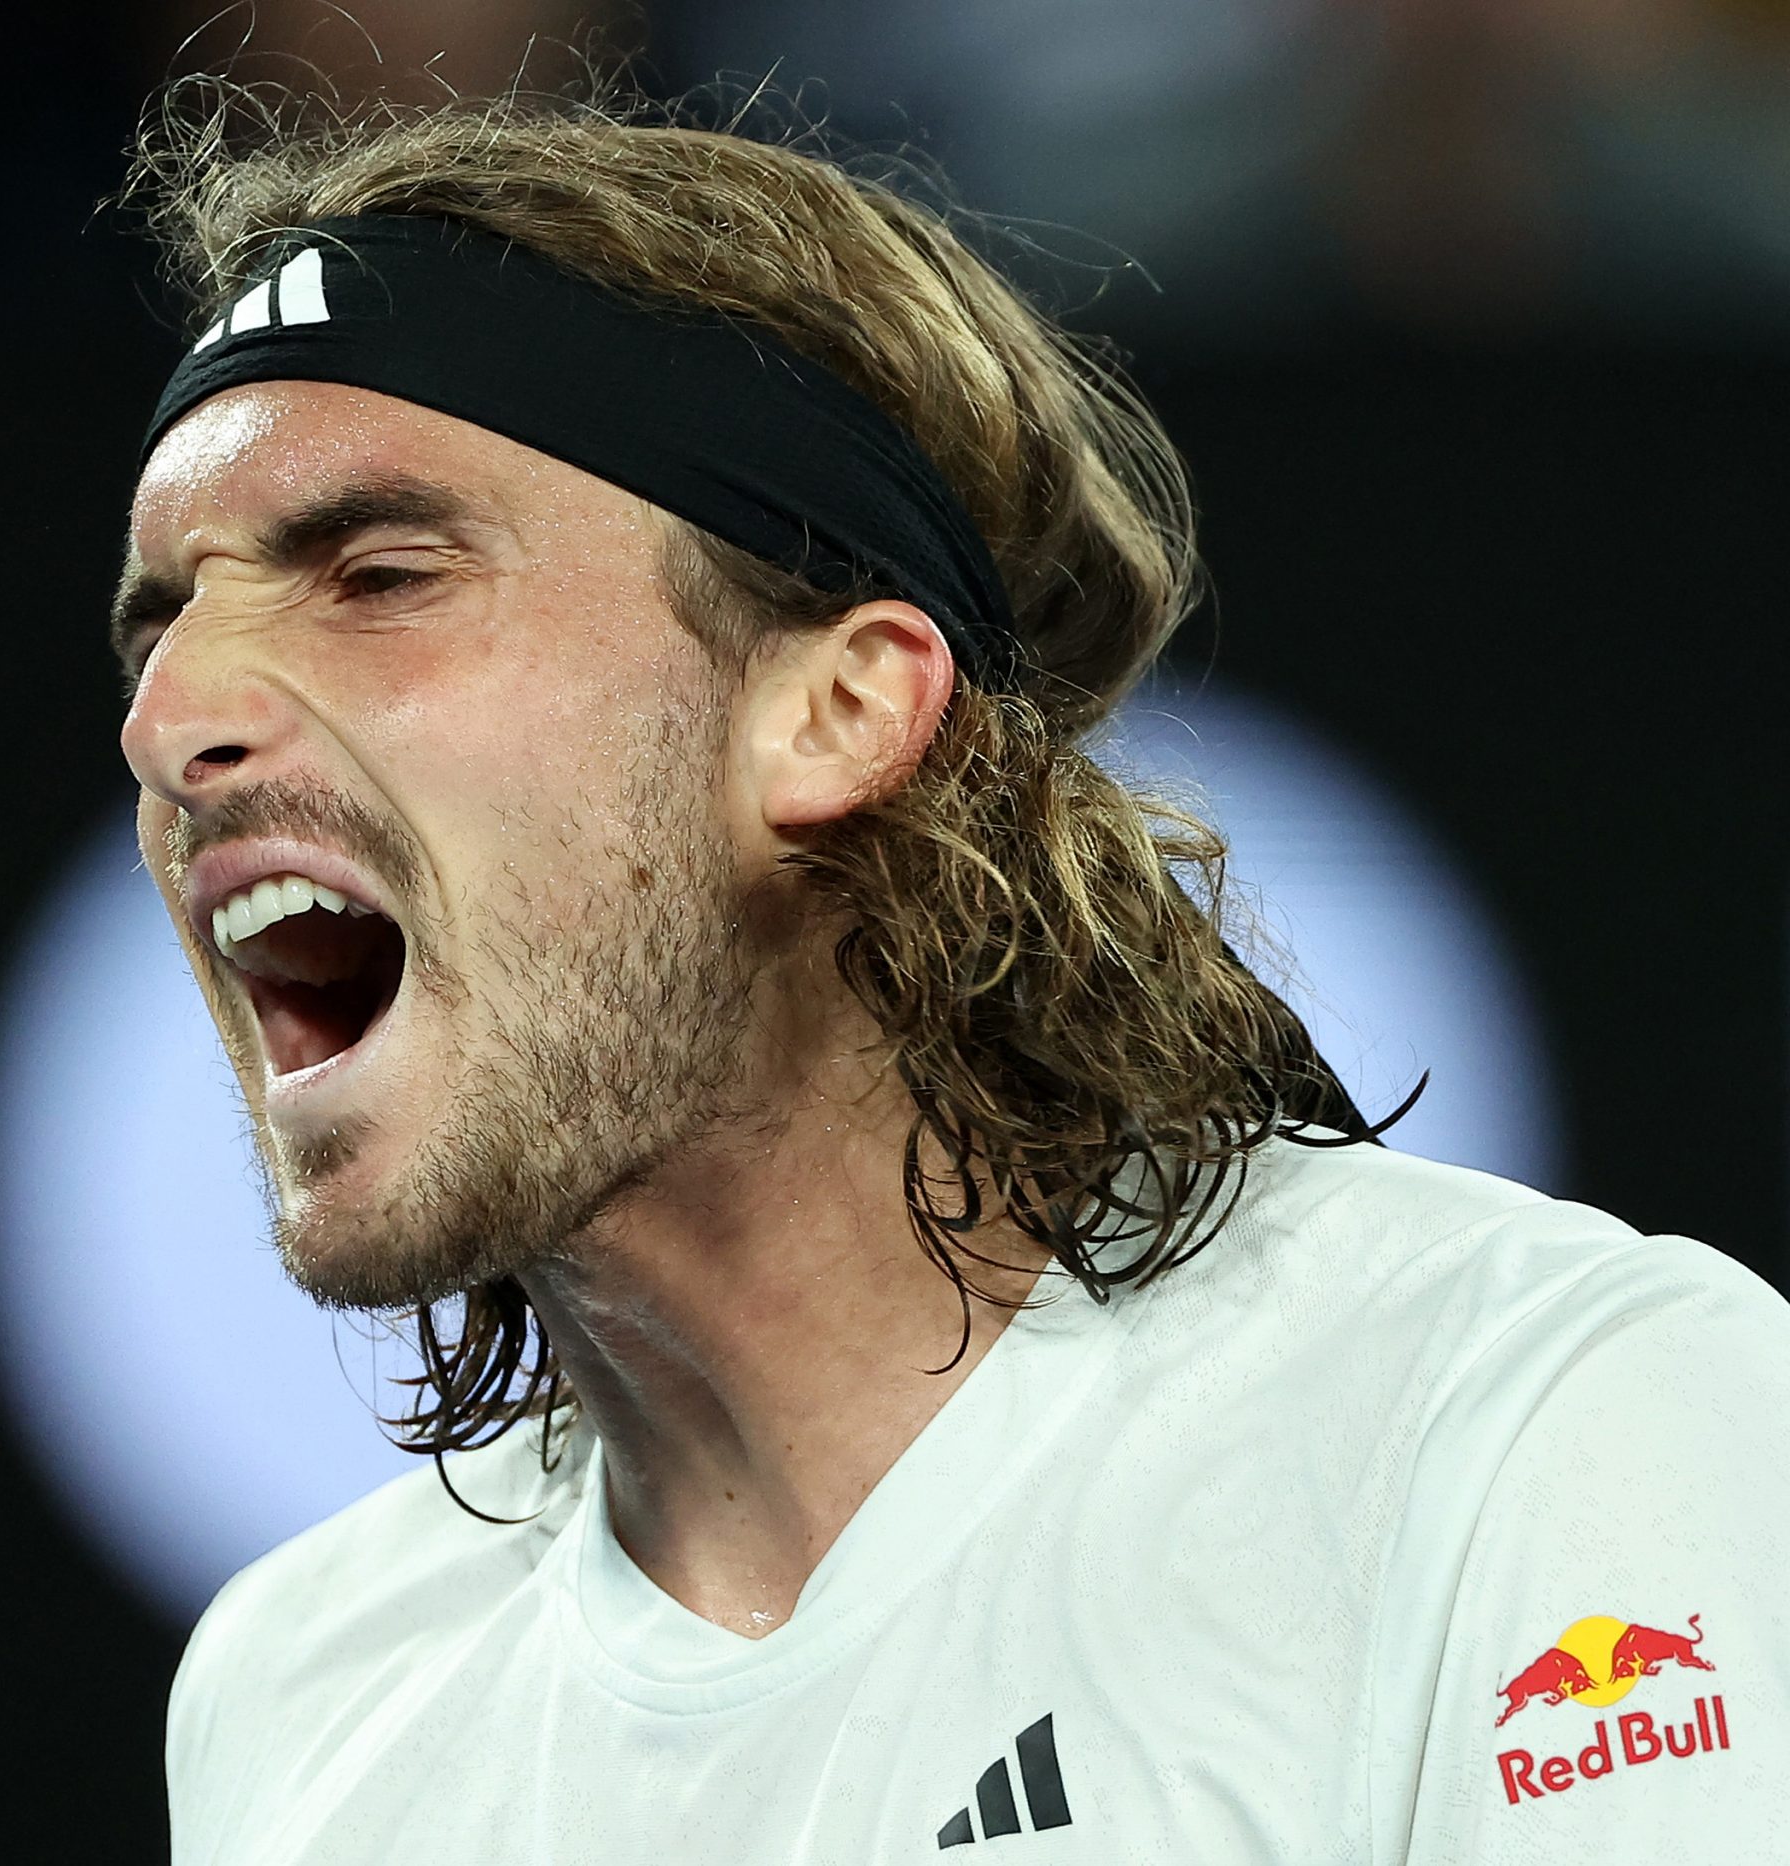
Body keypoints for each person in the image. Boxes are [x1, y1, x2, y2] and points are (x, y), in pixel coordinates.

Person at [110, 84, 1790, 1863]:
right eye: (159, 626)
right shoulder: (298, 1694)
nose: (171, 720)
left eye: (379, 574)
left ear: (838, 710)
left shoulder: (1540, 1427)